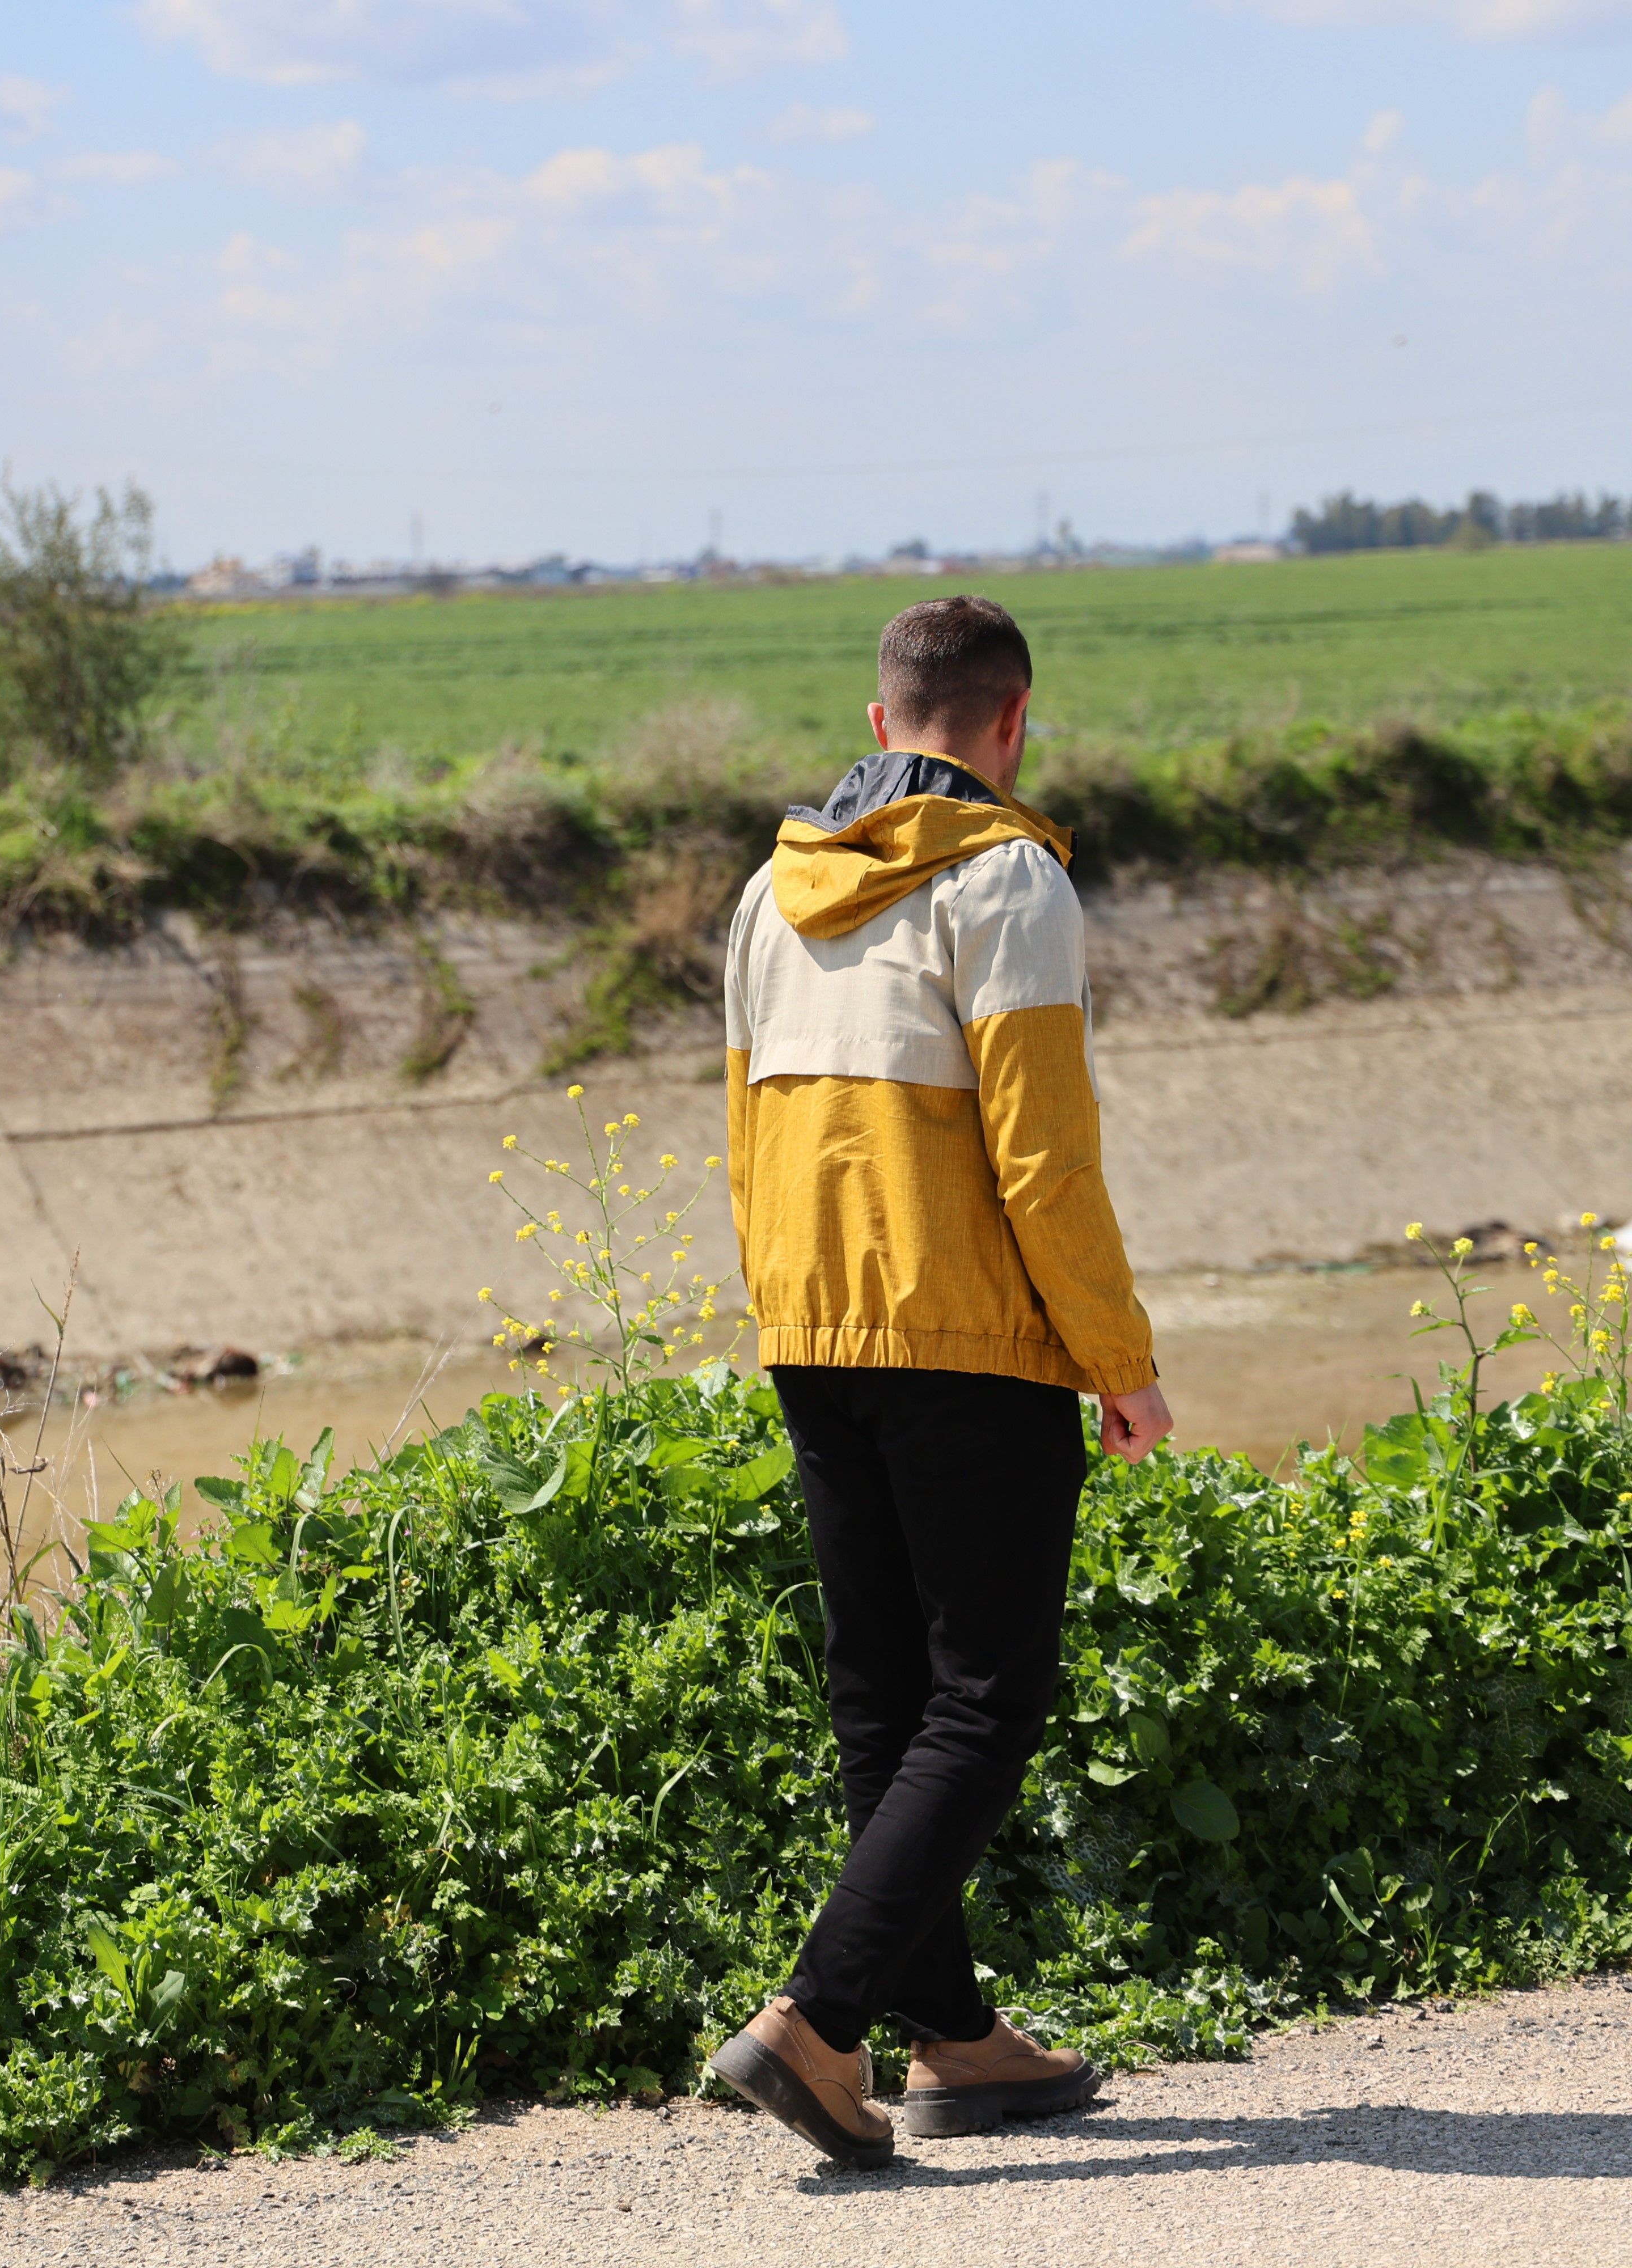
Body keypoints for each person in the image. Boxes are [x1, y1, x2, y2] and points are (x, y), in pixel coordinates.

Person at [703, 593, 1173, 2169]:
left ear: (878, 718)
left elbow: (744, 1135)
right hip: (962, 1336)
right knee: (986, 1697)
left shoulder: (771, 893)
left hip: (809, 1330)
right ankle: (817, 2026)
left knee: (883, 1698)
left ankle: (952, 2041)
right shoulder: (1011, 878)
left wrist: (787, 1316)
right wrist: (1119, 1362)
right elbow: (1044, 1156)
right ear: (1015, 721)